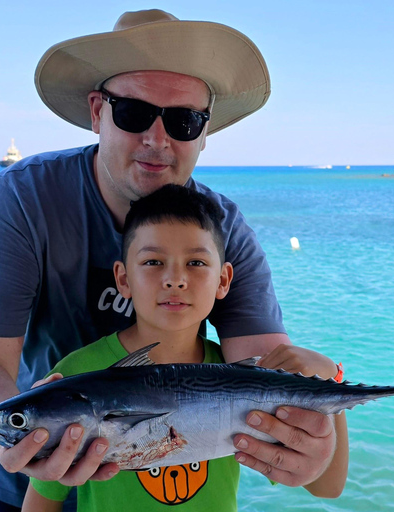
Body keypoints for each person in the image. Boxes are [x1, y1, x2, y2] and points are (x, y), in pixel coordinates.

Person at [0, 9, 349, 511]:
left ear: (204, 131)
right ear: (97, 111)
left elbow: (266, 370)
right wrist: (21, 447)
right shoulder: (20, 201)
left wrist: (312, 442)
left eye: (183, 120)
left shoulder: (220, 232)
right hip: (8, 486)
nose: (158, 140)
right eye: (133, 112)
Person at [21, 185, 346, 512]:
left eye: (195, 262)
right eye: (152, 261)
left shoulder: (244, 378)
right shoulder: (78, 375)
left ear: (223, 280)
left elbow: (327, 487)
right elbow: (42, 499)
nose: (175, 279)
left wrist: (329, 376)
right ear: (123, 279)